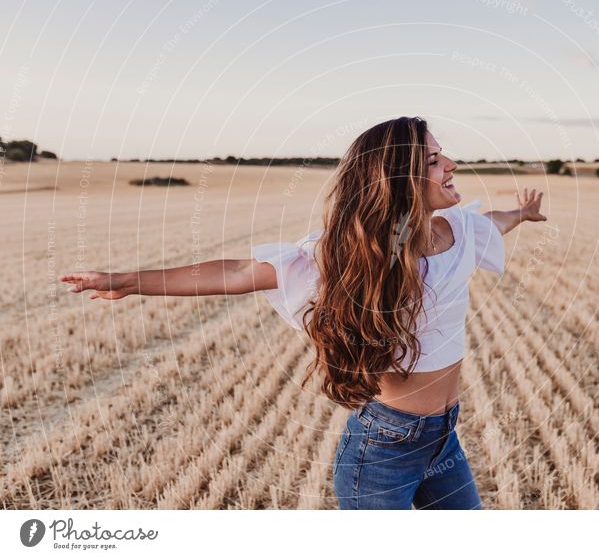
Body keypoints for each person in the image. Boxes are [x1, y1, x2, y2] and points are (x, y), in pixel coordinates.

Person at [59, 116, 547, 509]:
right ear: (397, 178)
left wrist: (522, 214)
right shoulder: (346, 256)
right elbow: (234, 274)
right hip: (382, 450)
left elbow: (493, 223)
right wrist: (124, 282)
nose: (452, 164)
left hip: (443, 442)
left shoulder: (459, 233)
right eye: (436, 159)